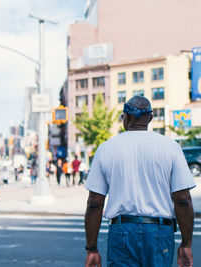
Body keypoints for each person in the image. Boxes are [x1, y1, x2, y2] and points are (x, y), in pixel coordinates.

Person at [84, 96, 195, 267]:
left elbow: (94, 203)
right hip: (160, 232)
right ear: (150, 118)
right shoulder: (171, 147)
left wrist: (92, 249)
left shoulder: (106, 149)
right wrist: (186, 244)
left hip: (122, 231)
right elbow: (183, 200)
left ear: (125, 118)